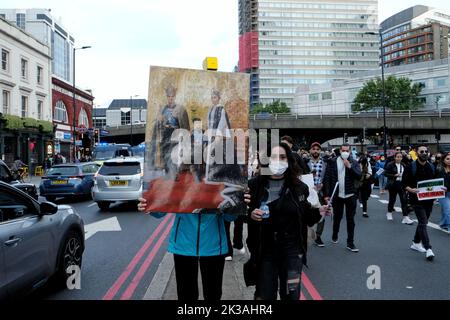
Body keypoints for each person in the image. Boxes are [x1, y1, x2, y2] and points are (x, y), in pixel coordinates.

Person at [244, 143, 331, 300]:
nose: (278, 161)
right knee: (264, 296)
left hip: (292, 251)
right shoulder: (254, 186)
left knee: (291, 296)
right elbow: (242, 214)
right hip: (265, 251)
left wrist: (320, 211)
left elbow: (307, 216)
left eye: (282, 157)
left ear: (289, 160)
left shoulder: (300, 188)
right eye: (274, 157)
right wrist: (250, 214)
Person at [137, 200, 237, 300]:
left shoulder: (222, 184)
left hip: (214, 244)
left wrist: (236, 205)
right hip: (183, 244)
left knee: (213, 294)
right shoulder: (177, 183)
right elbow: (161, 210)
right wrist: (149, 205)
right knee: (186, 295)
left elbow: (230, 217)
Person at [323, 143, 362, 252]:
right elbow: (327, 178)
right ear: (340, 151)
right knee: (337, 217)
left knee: (351, 219)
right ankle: (335, 234)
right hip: (337, 195)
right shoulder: (332, 162)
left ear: (350, 152)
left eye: (347, 151)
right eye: (343, 150)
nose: (345, 152)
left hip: (350, 195)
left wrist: (349, 167)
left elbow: (359, 176)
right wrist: (327, 194)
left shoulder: (354, 162)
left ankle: (350, 242)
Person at [402, 144, 438, 261]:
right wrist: (410, 189)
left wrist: (439, 191)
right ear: (417, 153)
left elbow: (436, 183)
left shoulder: (432, 167)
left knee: (423, 222)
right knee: (423, 222)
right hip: (416, 200)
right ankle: (428, 248)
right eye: (421, 151)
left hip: (429, 200)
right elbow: (404, 183)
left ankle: (416, 243)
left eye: (426, 151)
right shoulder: (410, 167)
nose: (424, 153)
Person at [149, 84, 190, 179]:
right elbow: (158, 122)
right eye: (169, 96)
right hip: (165, 133)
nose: (170, 98)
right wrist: (160, 120)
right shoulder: (163, 109)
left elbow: (185, 125)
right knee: (165, 152)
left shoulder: (181, 109)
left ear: (175, 96)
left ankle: (175, 174)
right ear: (167, 97)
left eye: (172, 96)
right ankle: (167, 172)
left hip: (176, 133)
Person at [384, 152, 415, 224]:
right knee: (392, 199)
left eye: (400, 157)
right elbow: (385, 173)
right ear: (394, 157)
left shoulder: (403, 165)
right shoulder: (390, 164)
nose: (399, 158)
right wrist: (394, 175)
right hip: (393, 184)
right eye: (397, 157)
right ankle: (389, 213)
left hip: (402, 184)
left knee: (404, 200)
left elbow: (408, 173)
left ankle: (405, 217)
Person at [307, 142, 327, 247]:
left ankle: (318, 236)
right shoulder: (305, 163)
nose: (315, 151)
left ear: (320, 151)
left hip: (320, 193)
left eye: (318, 149)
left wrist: (323, 186)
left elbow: (327, 178)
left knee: (322, 214)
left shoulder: (325, 164)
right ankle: (306, 233)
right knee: (307, 213)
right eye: (313, 149)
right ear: (310, 150)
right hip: (308, 193)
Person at [436, 152, 450, 231]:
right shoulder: (439, 169)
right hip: (443, 194)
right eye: (447, 159)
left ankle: (443, 224)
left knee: (446, 210)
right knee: (448, 210)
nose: (449, 160)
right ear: (443, 160)